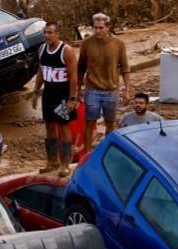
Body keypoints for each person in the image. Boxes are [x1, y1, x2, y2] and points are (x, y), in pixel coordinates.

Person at [77, 12, 130, 155]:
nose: (97, 31)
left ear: (108, 27)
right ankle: (86, 155)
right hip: (92, 89)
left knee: (110, 124)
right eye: (95, 28)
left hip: (111, 90)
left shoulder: (119, 44)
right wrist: (78, 89)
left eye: (101, 28)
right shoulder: (87, 43)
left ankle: (108, 154)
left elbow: (125, 67)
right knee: (89, 123)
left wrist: (127, 90)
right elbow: (80, 68)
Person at [32, 21, 78, 176]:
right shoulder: (41, 49)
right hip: (48, 93)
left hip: (62, 94)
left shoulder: (67, 51)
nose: (47, 35)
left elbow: (73, 77)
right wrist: (36, 91)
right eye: (45, 32)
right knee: (49, 125)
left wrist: (72, 98)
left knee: (63, 126)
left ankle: (65, 164)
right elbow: (40, 71)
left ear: (58, 34)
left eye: (50, 32)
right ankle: (52, 162)